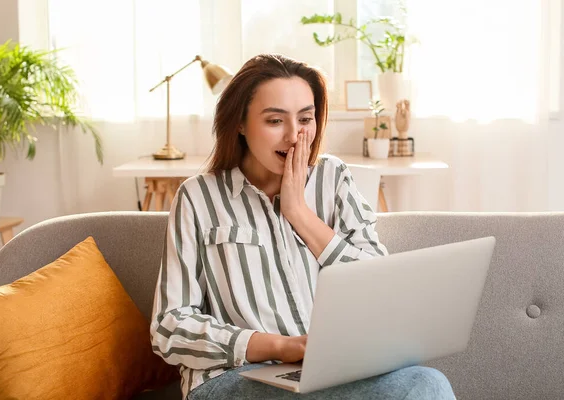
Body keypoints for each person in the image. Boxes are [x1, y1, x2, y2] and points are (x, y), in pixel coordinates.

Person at [150, 53, 455, 400]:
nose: (294, 135)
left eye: (305, 118)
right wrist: (277, 346)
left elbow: (380, 288)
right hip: (236, 376)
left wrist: (300, 215)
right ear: (240, 123)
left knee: (426, 384)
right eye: (275, 120)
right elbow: (169, 326)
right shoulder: (198, 197)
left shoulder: (333, 177)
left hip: (330, 373)